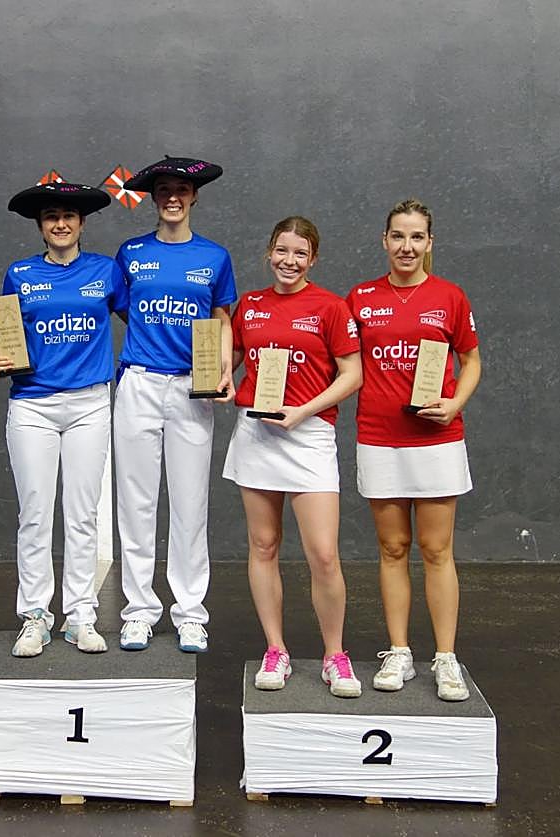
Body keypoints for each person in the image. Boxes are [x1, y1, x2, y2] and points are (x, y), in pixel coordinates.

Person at [346, 198, 482, 702]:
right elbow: (342, 363)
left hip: (437, 440)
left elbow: (471, 361)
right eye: (398, 236)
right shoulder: (360, 298)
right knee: (392, 548)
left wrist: (455, 403)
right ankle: (399, 651)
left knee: (436, 549)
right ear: (385, 241)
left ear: (430, 243)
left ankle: (445, 658)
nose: (407, 246)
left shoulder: (450, 297)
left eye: (417, 237)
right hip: (378, 438)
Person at [223, 217, 364, 695]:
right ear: (269, 252)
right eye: (282, 250)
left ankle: (335, 655)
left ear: (313, 259)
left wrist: (304, 410)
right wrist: (220, 380)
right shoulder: (251, 305)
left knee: (323, 554)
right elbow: (232, 359)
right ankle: (276, 649)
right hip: (257, 435)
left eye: (300, 253)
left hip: (309, 436)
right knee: (263, 546)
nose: (289, 260)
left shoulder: (331, 307)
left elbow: (352, 374)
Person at [0, 182, 128, 657]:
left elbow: (138, 321)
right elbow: (2, 328)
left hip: (89, 403)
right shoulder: (20, 273)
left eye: (69, 216)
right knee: (34, 512)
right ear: (41, 226)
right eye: (52, 217)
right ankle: (34, 615)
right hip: (32, 404)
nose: (61, 224)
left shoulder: (106, 271)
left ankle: (81, 614)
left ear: (82, 223)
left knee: (82, 513)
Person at [115, 156, 236, 654]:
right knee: (136, 503)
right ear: (152, 197)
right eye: (163, 189)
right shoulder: (130, 253)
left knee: (190, 505)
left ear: (194, 197)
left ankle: (190, 613)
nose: (172, 197)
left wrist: (224, 369)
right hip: (139, 385)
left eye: (181, 190)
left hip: (193, 389)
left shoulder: (215, 257)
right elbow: (123, 311)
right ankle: (138, 611)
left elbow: (222, 319)